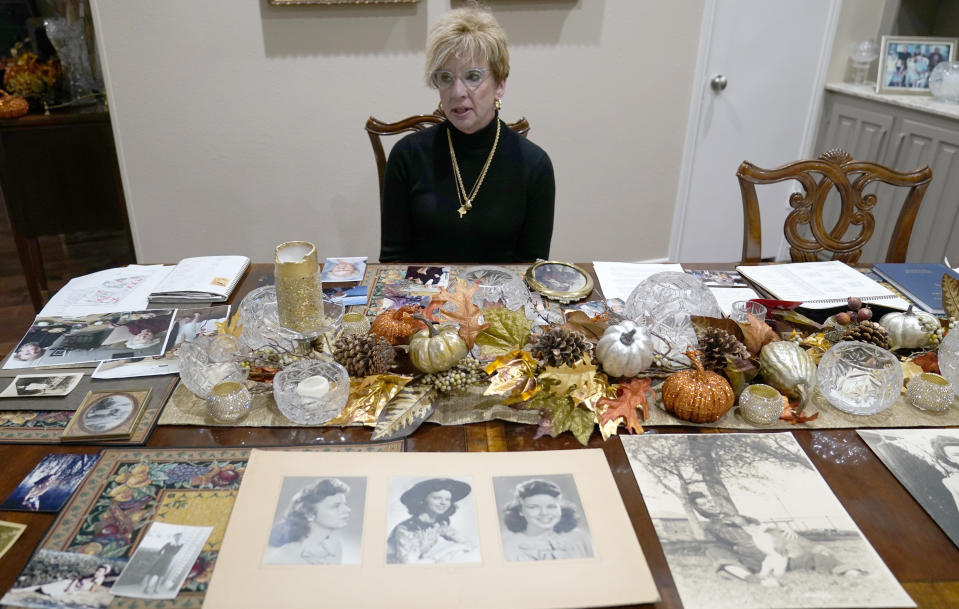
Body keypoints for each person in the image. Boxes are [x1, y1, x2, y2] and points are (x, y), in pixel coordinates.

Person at [379, 4, 554, 263]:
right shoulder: (407, 156)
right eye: (446, 77)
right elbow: (393, 264)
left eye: (473, 76)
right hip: (423, 300)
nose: (458, 92)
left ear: (500, 84)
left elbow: (531, 269)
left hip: (501, 300)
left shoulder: (535, 165)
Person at [688, 491, 865, 586]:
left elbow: (758, 524)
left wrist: (780, 529)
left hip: (780, 556)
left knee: (813, 555)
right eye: (703, 504)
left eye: (709, 500)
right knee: (712, 551)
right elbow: (739, 539)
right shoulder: (713, 525)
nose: (709, 504)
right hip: (756, 561)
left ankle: (849, 571)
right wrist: (755, 532)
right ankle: (753, 579)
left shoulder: (733, 515)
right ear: (699, 509)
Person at [500, 479, 593, 561]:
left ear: (560, 507)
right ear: (520, 510)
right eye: (533, 507)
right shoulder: (507, 546)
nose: (544, 513)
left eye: (551, 506)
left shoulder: (580, 538)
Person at [264, 478, 353, 565]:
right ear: (309, 513)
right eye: (335, 506)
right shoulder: (286, 554)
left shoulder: (335, 547)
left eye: (344, 504)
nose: (348, 510)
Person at [387, 478, 474, 564]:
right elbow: (410, 563)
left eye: (447, 499)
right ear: (422, 500)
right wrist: (441, 556)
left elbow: (468, 545)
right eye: (437, 498)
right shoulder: (406, 529)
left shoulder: (439, 524)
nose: (443, 503)